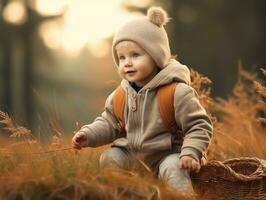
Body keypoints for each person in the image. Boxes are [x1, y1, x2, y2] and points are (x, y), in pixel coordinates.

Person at [72, 6, 213, 197]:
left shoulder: (175, 92)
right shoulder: (121, 95)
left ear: (156, 56)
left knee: (173, 168)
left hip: (167, 155)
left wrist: (190, 152)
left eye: (135, 55)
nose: (127, 62)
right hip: (132, 155)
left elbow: (199, 125)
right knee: (110, 158)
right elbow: (108, 123)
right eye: (121, 58)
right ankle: (122, 194)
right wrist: (88, 134)